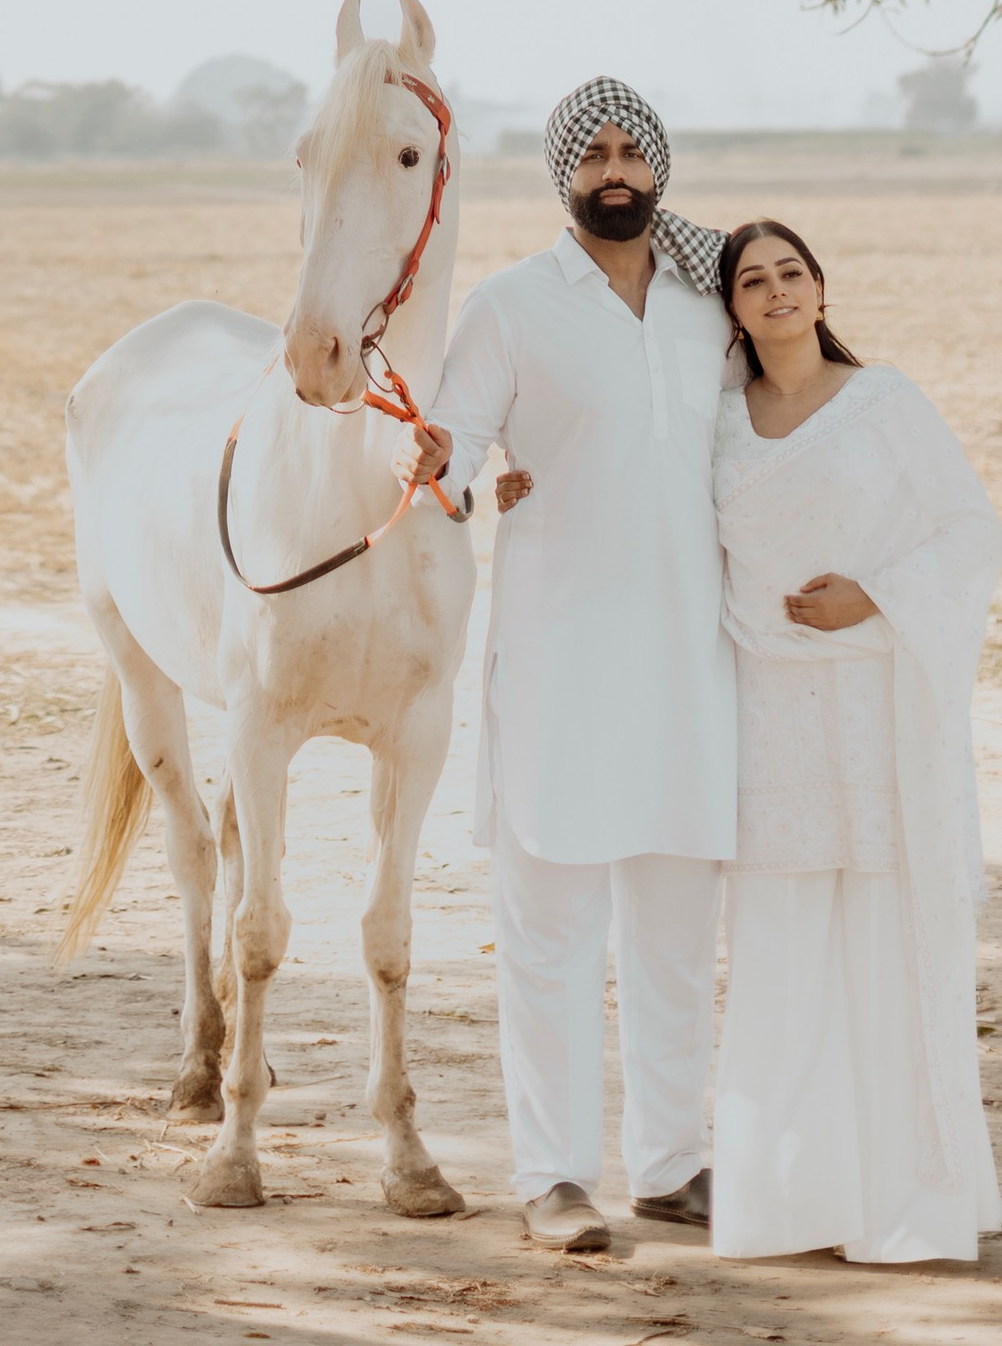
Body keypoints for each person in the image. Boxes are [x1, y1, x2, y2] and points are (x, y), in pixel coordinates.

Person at [404, 78, 734, 1256]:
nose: (612, 170)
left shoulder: (710, 301)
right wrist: (454, 463)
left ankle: (671, 1164)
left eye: (628, 151)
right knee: (549, 933)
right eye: (589, 151)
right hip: (559, 664)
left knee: (675, 935)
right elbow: (445, 463)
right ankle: (551, 1176)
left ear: (657, 168)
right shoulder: (511, 306)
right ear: (562, 173)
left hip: (693, 667)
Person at [710, 219, 1002, 1266]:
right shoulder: (718, 426)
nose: (776, 290)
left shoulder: (886, 404)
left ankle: (907, 1199)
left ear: (821, 290)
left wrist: (874, 596)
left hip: (878, 704)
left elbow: (971, 531)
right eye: (753, 280)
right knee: (783, 949)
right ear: (732, 310)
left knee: (883, 941)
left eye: (791, 272)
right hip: (768, 715)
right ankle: (790, 1199)